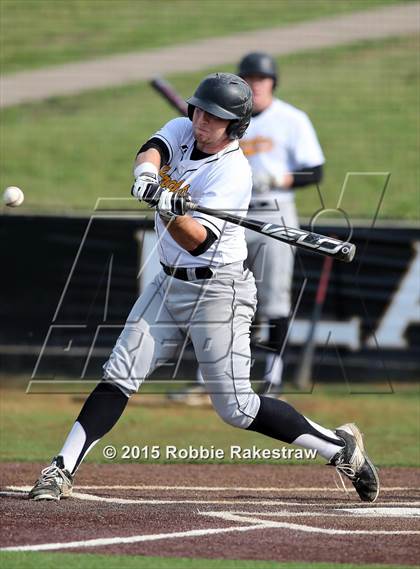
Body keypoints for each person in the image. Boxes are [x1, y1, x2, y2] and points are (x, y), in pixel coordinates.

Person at [28, 72, 379, 504]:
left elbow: (198, 240)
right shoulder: (182, 128)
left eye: (214, 118)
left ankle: (339, 448)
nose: (201, 122)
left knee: (237, 408)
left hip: (219, 291)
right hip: (167, 284)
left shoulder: (234, 172)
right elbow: (152, 149)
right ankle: (60, 469)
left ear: (234, 126)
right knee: (119, 374)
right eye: (200, 111)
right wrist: (147, 177)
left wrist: (169, 209)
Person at [238, 52, 325, 396]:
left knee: (273, 297)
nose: (255, 85)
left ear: (272, 83)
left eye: (261, 79)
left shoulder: (291, 119)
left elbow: (314, 170)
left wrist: (279, 178)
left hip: (275, 210)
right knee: (222, 295)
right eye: (249, 79)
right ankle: (210, 376)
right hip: (233, 212)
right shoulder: (229, 119)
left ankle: (273, 375)